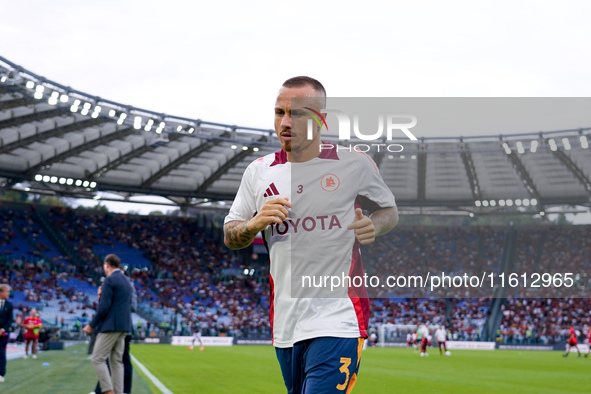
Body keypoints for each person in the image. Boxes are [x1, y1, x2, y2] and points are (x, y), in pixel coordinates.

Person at [224, 76, 398, 393]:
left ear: (321, 119)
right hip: (286, 324)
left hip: (338, 317)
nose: (285, 122)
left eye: (298, 113)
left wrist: (374, 224)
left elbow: (389, 210)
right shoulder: (259, 171)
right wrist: (254, 223)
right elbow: (231, 232)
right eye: (279, 112)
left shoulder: (354, 164)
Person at [83, 254, 132, 394]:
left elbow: (104, 307)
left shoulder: (109, 280)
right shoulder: (126, 280)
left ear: (107, 265)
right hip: (124, 327)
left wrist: (91, 325)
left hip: (111, 326)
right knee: (117, 362)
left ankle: (108, 391)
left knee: (97, 358)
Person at [92, 270, 137, 394]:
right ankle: (102, 390)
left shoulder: (128, 286)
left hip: (122, 326)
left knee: (120, 360)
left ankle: (120, 391)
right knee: (109, 359)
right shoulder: (109, 284)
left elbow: (133, 306)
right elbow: (104, 306)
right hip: (111, 326)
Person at [0, 283, 14, 383]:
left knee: (1, 353)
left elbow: (10, 319)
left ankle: (1, 374)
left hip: (3, 334)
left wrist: (3, 329)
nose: (9, 293)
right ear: (1, 292)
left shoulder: (9, 305)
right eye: (7, 291)